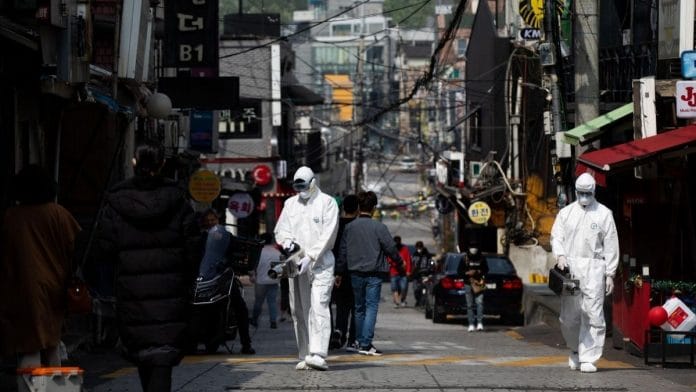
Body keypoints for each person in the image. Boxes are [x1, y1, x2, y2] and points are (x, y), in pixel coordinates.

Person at [89, 141, 200, 391]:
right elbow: (194, 248)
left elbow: (103, 251)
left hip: (132, 296)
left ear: (134, 162)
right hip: (171, 296)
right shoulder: (178, 201)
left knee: (143, 354)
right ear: (162, 164)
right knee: (162, 357)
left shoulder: (117, 203)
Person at [0, 165, 81, 369]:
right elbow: (75, 249)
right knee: (52, 344)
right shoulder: (59, 214)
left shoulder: (12, 217)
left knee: (30, 347)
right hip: (55, 289)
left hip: (24, 289)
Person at [550, 172, 619, 373]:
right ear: (576, 191)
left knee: (594, 313)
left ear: (594, 191)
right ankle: (574, 350)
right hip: (571, 269)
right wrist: (560, 256)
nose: (584, 197)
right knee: (570, 314)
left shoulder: (604, 214)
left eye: (587, 193)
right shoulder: (566, 213)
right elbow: (557, 236)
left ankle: (589, 356)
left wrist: (610, 274)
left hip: (594, 269)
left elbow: (611, 245)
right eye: (581, 193)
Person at [274, 166, 339, 371]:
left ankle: (319, 353)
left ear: (313, 182)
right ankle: (305, 353)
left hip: (320, 265)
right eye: (297, 186)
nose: (301, 189)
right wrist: (287, 244)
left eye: (304, 185)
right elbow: (281, 229)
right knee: (299, 310)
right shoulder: (290, 204)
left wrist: (311, 256)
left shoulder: (327, 203)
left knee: (318, 306)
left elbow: (328, 235)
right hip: (296, 264)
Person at [336, 191, 403, 356]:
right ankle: (366, 344)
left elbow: (343, 252)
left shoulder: (349, 228)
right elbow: (390, 248)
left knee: (359, 308)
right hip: (374, 272)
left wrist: (338, 272)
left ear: (359, 207)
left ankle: (358, 341)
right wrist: (399, 262)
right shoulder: (379, 227)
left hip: (354, 273)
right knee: (371, 307)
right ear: (374, 208)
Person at [198, 208, 255, 354]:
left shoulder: (226, 236)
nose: (210, 223)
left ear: (218, 220)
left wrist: (233, 264)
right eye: (208, 220)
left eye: (213, 220)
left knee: (240, 308)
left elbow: (237, 252)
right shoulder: (199, 238)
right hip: (203, 278)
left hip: (223, 276)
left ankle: (246, 343)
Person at [329, 194, 358, 351]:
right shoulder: (359, 226)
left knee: (341, 305)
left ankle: (339, 331)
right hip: (357, 271)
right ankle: (353, 339)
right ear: (357, 208)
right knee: (356, 307)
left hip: (338, 271)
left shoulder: (335, 226)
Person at [250, 232, 280, 329]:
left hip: (261, 280)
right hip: (274, 280)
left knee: (258, 301)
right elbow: (280, 267)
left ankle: (254, 319)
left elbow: (253, 265)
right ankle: (273, 321)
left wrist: (253, 275)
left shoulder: (259, 252)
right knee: (272, 301)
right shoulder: (277, 252)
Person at [457, 247, 489, 332]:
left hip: (479, 283)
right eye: (471, 247)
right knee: (469, 305)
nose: (474, 249)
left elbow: (486, 269)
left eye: (475, 247)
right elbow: (459, 272)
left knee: (480, 302)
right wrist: (467, 273)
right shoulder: (464, 258)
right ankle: (471, 324)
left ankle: (480, 323)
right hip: (468, 283)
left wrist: (478, 272)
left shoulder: (481, 258)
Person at [388, 236, 412, 307]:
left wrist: (408, 270)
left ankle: (403, 299)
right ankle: (396, 302)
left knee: (404, 287)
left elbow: (408, 260)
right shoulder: (391, 250)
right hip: (394, 272)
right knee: (394, 287)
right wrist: (397, 264)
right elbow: (389, 260)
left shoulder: (405, 249)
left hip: (403, 273)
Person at [411, 241, 433, 307]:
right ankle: (418, 300)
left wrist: (430, 270)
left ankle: (424, 301)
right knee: (416, 289)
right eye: (418, 247)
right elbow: (412, 264)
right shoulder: (414, 255)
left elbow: (431, 264)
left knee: (425, 288)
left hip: (425, 274)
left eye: (420, 247)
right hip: (416, 275)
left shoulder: (427, 255)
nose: (419, 249)